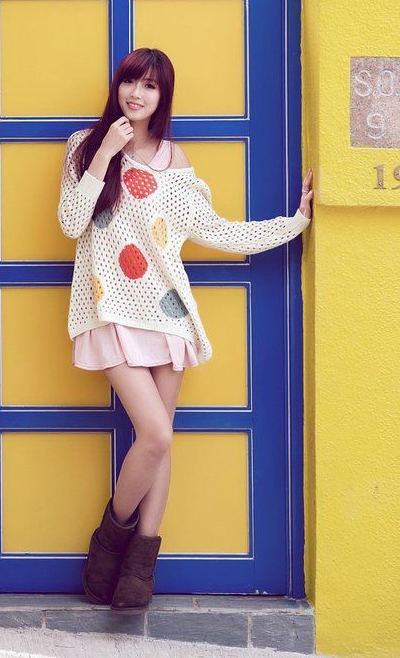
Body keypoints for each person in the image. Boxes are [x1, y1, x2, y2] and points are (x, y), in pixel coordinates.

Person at [56, 47, 313, 611]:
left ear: (163, 97)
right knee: (157, 435)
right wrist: (107, 153)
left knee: (160, 442)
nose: (137, 94)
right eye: (131, 81)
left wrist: (294, 223)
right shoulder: (85, 146)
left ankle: (138, 568)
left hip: (167, 316)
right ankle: (108, 543)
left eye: (150, 86)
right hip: (108, 310)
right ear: (118, 86)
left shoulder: (175, 162)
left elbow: (217, 230)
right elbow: (73, 222)